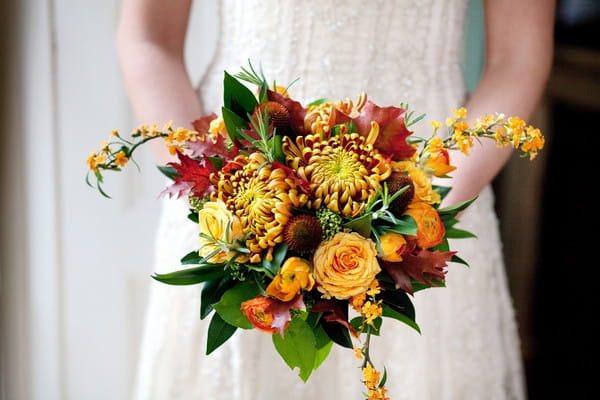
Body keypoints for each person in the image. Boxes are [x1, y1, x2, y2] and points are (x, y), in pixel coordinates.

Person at [116, 1, 555, 399]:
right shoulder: (231, 200)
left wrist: (418, 216)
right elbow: (150, 38)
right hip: (237, 195)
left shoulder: (422, 210)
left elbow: (516, 58)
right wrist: (220, 192)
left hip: (429, 192)